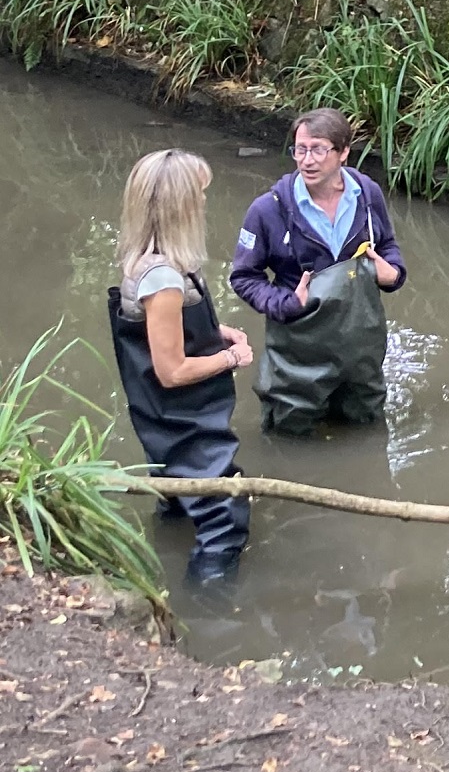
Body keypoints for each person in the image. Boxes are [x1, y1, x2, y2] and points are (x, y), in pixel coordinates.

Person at [107, 149, 253, 582]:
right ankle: (211, 623)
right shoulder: (164, 279)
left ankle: (161, 565)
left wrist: (214, 331)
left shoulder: (152, 260)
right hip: (185, 422)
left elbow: (160, 332)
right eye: (200, 195)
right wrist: (230, 358)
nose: (205, 203)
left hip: (160, 422)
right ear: (180, 206)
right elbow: (170, 372)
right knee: (223, 516)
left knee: (173, 491)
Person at [230, 107, 407, 436]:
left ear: (343, 153)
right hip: (297, 349)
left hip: (360, 350)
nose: (307, 160)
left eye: (318, 149)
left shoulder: (367, 195)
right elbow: (244, 277)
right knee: (290, 432)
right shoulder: (268, 209)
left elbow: (388, 246)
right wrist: (286, 303)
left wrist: (393, 273)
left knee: (365, 428)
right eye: (300, 149)